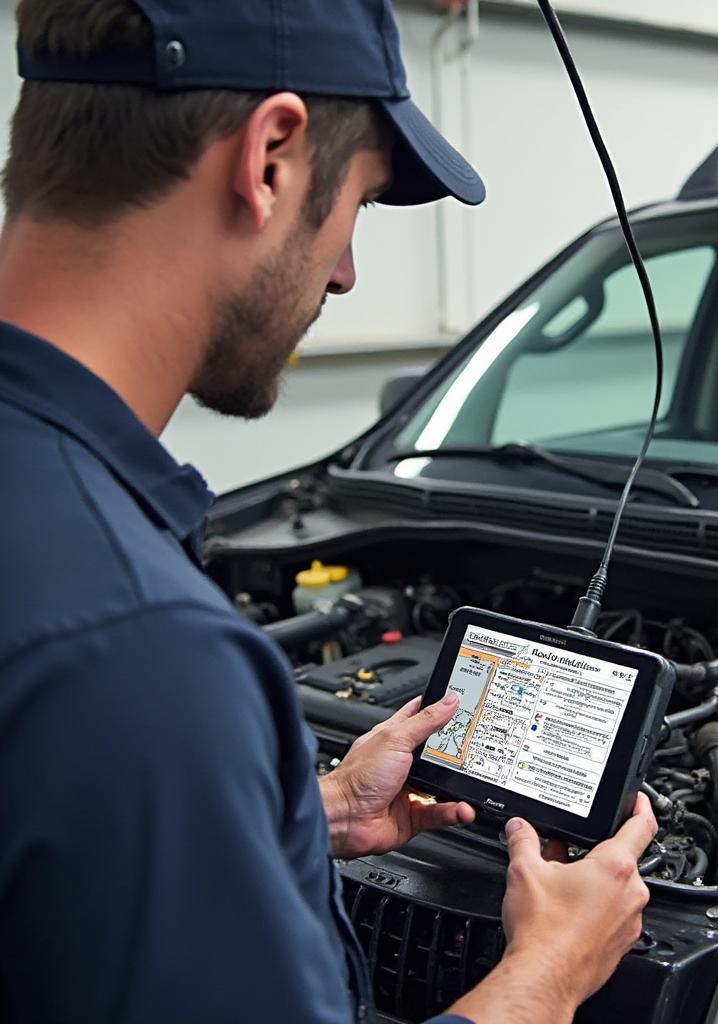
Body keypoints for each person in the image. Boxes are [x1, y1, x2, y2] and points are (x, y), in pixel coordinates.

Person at [0, 1, 658, 1022]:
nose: (344, 271)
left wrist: (309, 812)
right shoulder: (141, 649)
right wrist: (550, 973)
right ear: (269, 157)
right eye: (357, 203)